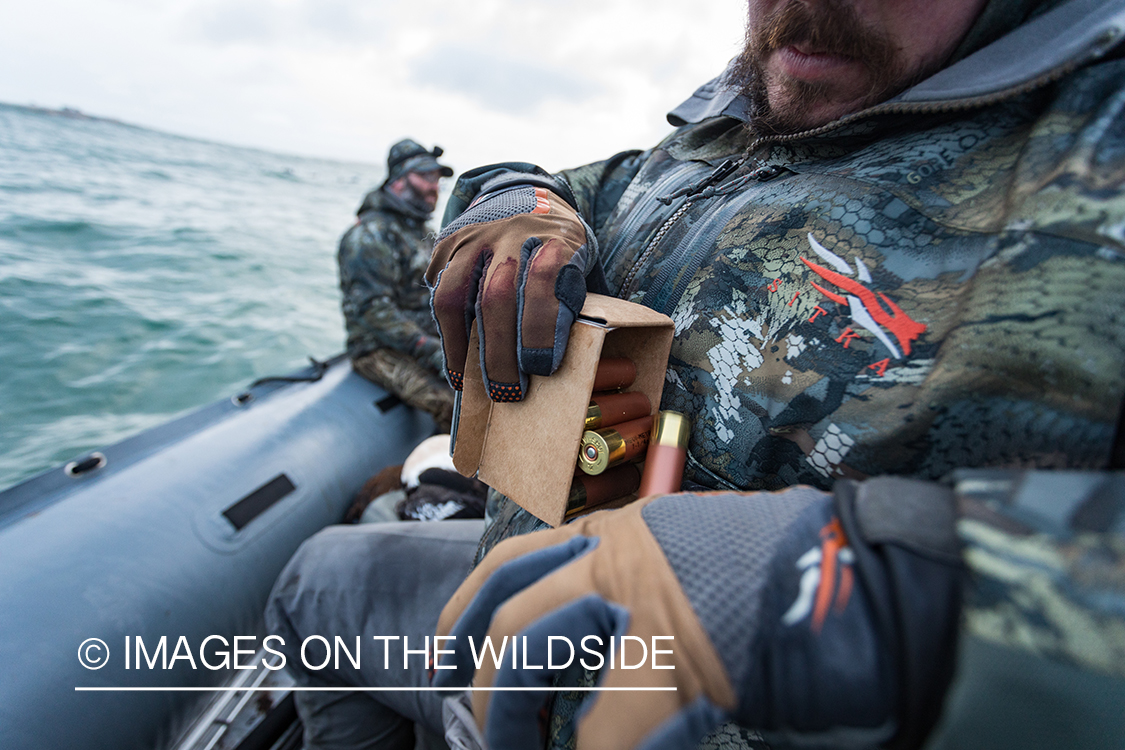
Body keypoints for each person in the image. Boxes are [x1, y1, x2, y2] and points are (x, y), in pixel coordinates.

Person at [267, 1, 1125, 749]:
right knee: (319, 576)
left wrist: (891, 592)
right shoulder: (719, 132)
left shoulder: (1095, 157)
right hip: (510, 641)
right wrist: (517, 200)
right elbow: (566, 187)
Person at [339, 138, 456, 431]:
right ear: (399, 182)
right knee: (451, 404)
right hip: (378, 349)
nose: (435, 187)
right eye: (426, 177)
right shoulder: (370, 236)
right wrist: (429, 349)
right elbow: (373, 310)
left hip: (426, 338)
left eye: (437, 179)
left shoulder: (421, 232)